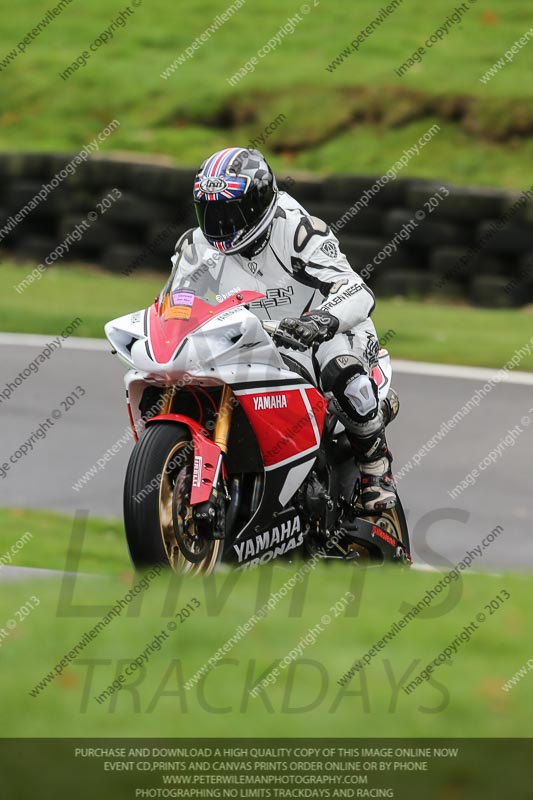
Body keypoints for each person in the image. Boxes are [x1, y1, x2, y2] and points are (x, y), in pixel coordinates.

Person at [172, 146, 397, 511]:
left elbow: (355, 288)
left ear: (257, 204)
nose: (220, 224)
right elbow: (177, 303)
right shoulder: (197, 246)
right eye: (210, 211)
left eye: (230, 211)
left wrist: (320, 321)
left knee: (343, 374)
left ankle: (376, 467)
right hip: (253, 337)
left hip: (322, 332)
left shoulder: (296, 230)